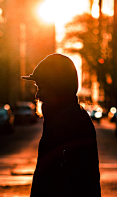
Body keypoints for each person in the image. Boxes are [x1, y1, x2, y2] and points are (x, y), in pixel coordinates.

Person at [22, 53, 101, 197]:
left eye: (42, 87)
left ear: (58, 88)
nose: (37, 95)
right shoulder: (61, 119)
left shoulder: (72, 123)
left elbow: (75, 184)